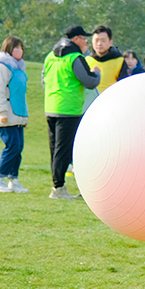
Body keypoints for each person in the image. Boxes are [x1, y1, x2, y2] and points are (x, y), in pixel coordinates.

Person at [42, 25, 101, 200]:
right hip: (69, 109)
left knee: (55, 149)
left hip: (51, 106)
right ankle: (58, 188)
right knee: (65, 150)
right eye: (84, 39)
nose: (87, 43)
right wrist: (97, 75)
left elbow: (43, 79)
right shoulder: (75, 57)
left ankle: (57, 185)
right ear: (76, 39)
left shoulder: (50, 56)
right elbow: (88, 81)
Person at [0, 36, 30, 193]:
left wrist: (24, 117)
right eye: (16, 48)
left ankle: (14, 179)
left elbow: (20, 94)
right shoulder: (1, 67)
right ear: (8, 49)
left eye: (21, 48)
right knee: (12, 146)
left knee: (18, 147)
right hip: (6, 114)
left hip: (18, 114)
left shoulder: (19, 69)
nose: (20, 51)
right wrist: (1, 112)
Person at [84, 25, 130, 111]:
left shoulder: (119, 61)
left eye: (103, 40)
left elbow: (124, 86)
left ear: (110, 42)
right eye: (96, 40)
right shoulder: (87, 60)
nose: (99, 44)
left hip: (111, 106)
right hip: (89, 107)